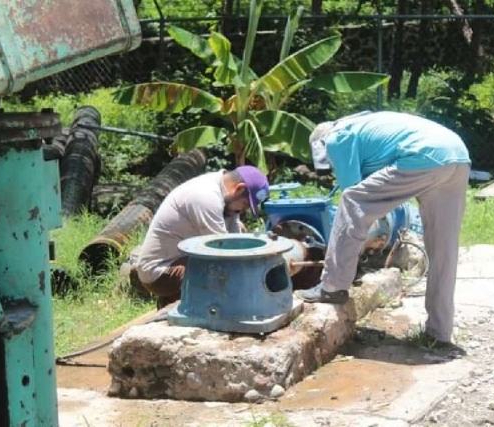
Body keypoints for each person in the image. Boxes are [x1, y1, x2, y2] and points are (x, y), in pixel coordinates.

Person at [296, 111, 471, 344]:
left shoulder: (335, 138)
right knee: (443, 246)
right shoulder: (362, 126)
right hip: (458, 156)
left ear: (321, 145)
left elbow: (354, 195)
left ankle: (332, 286)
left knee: (351, 201)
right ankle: (439, 333)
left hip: (423, 155)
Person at [136, 165, 269, 308]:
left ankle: (172, 303)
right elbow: (223, 251)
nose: (242, 210)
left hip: (185, 259)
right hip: (159, 271)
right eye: (245, 205)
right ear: (239, 189)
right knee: (221, 278)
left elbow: (236, 240)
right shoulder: (206, 197)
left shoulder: (226, 196)